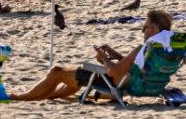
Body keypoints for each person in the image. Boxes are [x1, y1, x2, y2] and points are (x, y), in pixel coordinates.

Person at [9, 10, 174, 101]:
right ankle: (47, 95)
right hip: (135, 83)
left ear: (156, 30)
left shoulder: (141, 48)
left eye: (147, 27)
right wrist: (117, 55)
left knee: (57, 71)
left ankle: (22, 97)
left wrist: (103, 58)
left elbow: (113, 72)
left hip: (112, 83)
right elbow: (136, 67)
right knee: (76, 75)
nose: (143, 31)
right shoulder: (164, 49)